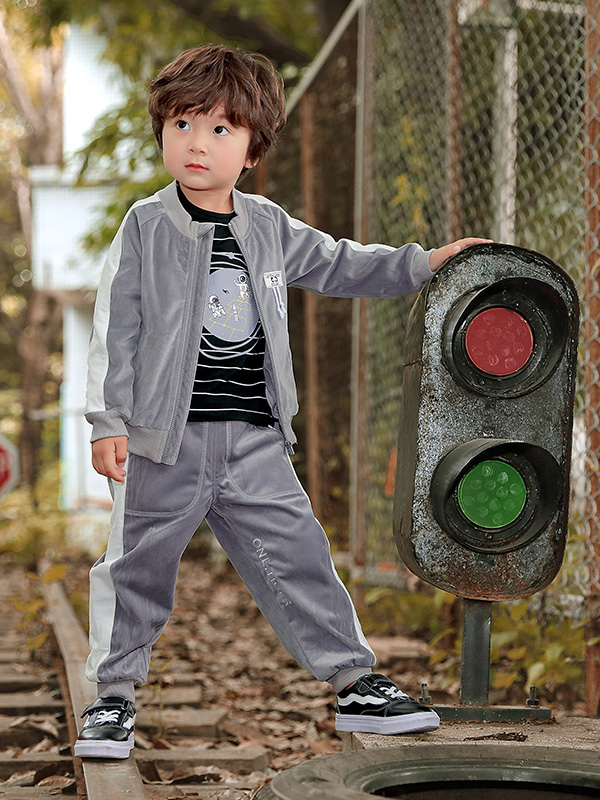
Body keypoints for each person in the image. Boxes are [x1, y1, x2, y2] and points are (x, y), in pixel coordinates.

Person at [74, 43, 488, 759]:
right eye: (181, 125)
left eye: (220, 129)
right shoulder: (146, 225)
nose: (197, 143)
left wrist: (421, 264)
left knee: (300, 556)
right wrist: (108, 422)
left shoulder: (267, 225)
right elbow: (118, 325)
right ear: (162, 133)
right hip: (162, 442)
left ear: (253, 150)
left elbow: (338, 262)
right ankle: (112, 698)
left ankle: (355, 683)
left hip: (253, 440)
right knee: (136, 567)